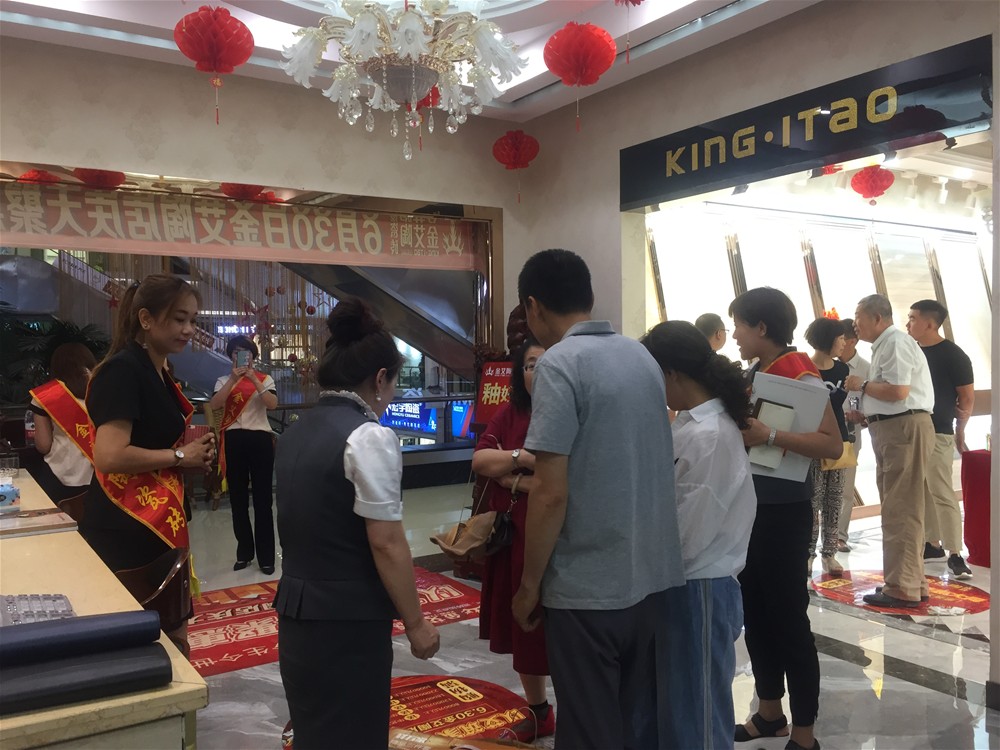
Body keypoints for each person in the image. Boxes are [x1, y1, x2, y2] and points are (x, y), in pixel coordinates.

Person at [510, 249, 687, 749]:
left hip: (587, 589)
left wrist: (528, 587)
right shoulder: (640, 356)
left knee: (588, 730)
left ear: (533, 305)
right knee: (632, 724)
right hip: (649, 580)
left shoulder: (560, 363)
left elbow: (550, 492)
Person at [274, 297, 440, 750]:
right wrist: (416, 623)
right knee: (355, 735)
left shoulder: (294, 433)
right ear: (380, 379)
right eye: (394, 384)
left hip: (297, 618)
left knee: (316, 734)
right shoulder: (368, 437)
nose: (393, 396)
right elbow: (386, 542)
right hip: (348, 623)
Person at [729, 287, 842, 750]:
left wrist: (770, 435)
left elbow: (831, 444)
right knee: (755, 614)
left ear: (762, 327)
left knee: (789, 620)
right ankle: (769, 713)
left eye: (739, 325)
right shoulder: (755, 372)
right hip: (751, 508)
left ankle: (804, 733)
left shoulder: (800, 374)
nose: (734, 335)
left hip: (783, 514)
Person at [84, 275, 216, 653]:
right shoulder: (123, 370)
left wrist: (190, 456)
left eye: (193, 320)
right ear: (146, 319)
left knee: (171, 631)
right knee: (136, 641)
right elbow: (109, 455)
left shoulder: (160, 371)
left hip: (158, 517)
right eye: (179, 319)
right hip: (125, 524)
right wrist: (179, 456)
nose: (188, 329)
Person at [641, 320, 757, 750]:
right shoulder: (690, 426)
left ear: (671, 373)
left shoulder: (710, 434)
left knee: (698, 716)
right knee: (677, 709)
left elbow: (689, 532)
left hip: (699, 585)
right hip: (680, 583)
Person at [471, 337, 553, 743]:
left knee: (557, 626)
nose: (536, 371)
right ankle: (539, 711)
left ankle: (580, 711)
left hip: (556, 535)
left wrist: (514, 477)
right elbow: (481, 460)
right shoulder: (511, 412)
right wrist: (524, 460)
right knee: (522, 626)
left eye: (544, 363)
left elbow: (564, 481)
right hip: (513, 534)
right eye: (530, 365)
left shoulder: (570, 412)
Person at [845, 294, 934, 609]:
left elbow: (898, 391)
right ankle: (912, 582)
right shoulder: (885, 344)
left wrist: (861, 385)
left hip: (902, 428)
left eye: (859, 316)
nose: (855, 323)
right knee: (902, 507)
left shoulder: (894, 342)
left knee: (900, 509)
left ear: (878, 318)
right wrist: (868, 411)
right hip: (893, 428)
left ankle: (901, 587)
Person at [906, 299, 975, 580]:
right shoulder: (910, 351)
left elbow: (966, 398)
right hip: (912, 428)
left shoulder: (953, 355)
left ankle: (955, 552)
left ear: (930, 324)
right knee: (922, 489)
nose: (908, 323)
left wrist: (961, 431)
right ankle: (931, 543)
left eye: (913, 318)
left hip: (939, 429)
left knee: (941, 490)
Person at [209, 336, 279, 574]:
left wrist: (253, 379)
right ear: (231, 356)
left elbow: (272, 404)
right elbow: (215, 404)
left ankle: (266, 558)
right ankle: (244, 553)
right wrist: (233, 379)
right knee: (238, 500)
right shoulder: (222, 380)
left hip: (260, 440)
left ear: (253, 356)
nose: (241, 356)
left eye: (246, 352)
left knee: (263, 501)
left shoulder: (265, 379)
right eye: (237, 352)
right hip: (234, 440)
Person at [804, 317, 851, 577]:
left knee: (835, 498)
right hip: (813, 440)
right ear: (828, 339)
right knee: (813, 500)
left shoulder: (843, 370)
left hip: (840, 440)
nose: (844, 343)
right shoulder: (805, 369)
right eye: (841, 338)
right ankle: (808, 553)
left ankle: (829, 553)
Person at [29, 343, 98, 502]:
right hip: (99, 479)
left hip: (57, 477)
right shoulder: (103, 391)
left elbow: (44, 445)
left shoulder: (46, 396)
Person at [836, 319, 870, 553]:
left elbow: (873, 403)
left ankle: (840, 536)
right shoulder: (825, 365)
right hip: (825, 431)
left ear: (852, 341)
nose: (837, 344)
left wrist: (862, 416)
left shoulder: (866, 368)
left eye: (841, 339)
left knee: (846, 487)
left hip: (850, 433)